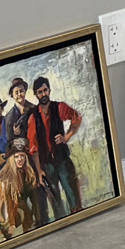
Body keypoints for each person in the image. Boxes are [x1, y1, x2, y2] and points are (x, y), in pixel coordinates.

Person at [30, 75, 85, 219]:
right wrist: (39, 170)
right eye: (40, 92)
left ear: (49, 90)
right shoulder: (33, 117)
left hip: (62, 159)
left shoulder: (59, 107)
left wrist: (66, 137)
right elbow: (33, 148)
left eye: (45, 90)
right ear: (35, 94)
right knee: (56, 203)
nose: (43, 94)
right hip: (47, 165)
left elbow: (77, 118)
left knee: (73, 195)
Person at [5, 77, 51, 226]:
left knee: (39, 191)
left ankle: (43, 221)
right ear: (12, 95)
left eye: (22, 91)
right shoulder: (9, 118)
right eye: (16, 92)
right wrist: (17, 135)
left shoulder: (33, 109)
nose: (20, 94)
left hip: (36, 157)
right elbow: (10, 143)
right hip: (21, 162)